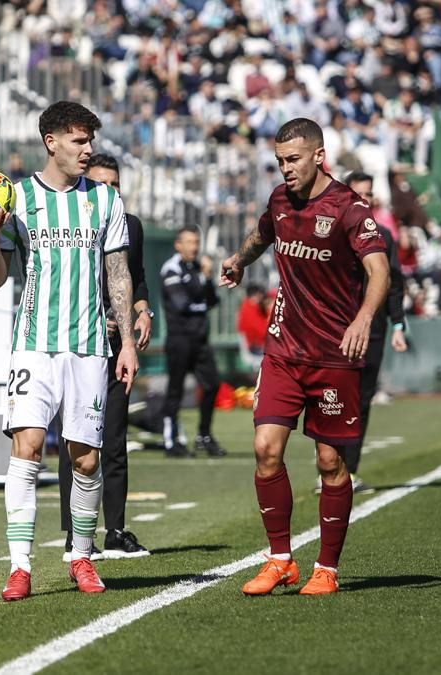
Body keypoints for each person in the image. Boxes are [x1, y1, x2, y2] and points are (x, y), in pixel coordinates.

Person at [0, 101, 138, 601]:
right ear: (52, 142)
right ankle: (19, 567)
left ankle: (80, 556)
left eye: (90, 141)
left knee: (85, 460)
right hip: (34, 345)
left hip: (89, 347)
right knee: (28, 448)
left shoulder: (105, 200)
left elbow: (118, 274)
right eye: (79, 141)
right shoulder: (15, 198)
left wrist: (127, 342)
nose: (88, 150)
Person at [218, 118, 390, 597]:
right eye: (280, 161)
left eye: (293, 159)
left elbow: (379, 271)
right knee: (265, 449)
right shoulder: (279, 200)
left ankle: (327, 569)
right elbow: (262, 235)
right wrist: (238, 261)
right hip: (283, 349)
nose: (286, 169)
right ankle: (280, 560)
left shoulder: (349, 209)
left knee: (330, 462)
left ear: (319, 156)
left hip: (334, 355)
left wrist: (363, 319)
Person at [56, 153, 153, 560]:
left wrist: (143, 312)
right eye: (102, 184)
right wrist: (98, 318)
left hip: (117, 349)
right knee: (75, 439)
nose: (110, 191)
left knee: (114, 437)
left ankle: (115, 529)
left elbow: (136, 277)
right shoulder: (68, 223)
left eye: (115, 184)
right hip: (77, 343)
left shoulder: (130, 225)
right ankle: (75, 535)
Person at [317, 172, 408, 495]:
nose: (365, 199)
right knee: (332, 399)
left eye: (368, 193)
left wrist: (398, 324)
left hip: (375, 330)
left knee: (362, 401)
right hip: (335, 329)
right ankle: (327, 469)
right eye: (359, 193)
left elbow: (393, 282)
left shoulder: (384, 236)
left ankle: (350, 472)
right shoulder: (329, 234)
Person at [160, 225, 225, 458]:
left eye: (196, 242)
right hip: (179, 339)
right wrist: (202, 304)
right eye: (189, 242)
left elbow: (213, 301)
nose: (194, 247)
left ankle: (203, 436)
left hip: (200, 339)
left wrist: (207, 278)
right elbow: (181, 304)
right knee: (175, 390)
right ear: (178, 245)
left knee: (212, 384)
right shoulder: (171, 268)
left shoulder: (199, 267)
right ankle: (171, 441)